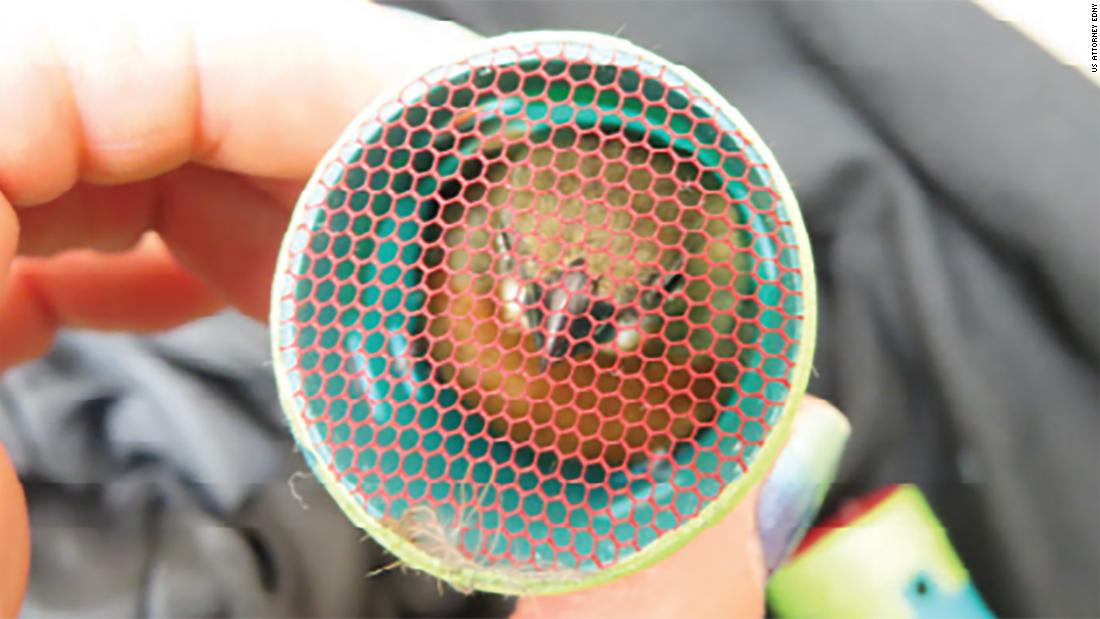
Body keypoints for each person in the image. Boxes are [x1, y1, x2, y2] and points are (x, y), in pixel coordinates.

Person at [0, 2, 849, 617]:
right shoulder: (435, 280)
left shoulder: (712, 303)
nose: (558, 328)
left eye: (613, 311)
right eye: (530, 286)